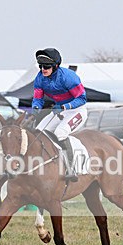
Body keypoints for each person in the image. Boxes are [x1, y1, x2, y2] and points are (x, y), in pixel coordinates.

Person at [30, 47, 88, 181]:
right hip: (59, 110)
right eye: (40, 66)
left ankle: (71, 168)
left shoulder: (68, 77)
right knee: (39, 132)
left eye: (46, 66)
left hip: (76, 110)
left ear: (55, 66)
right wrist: (36, 108)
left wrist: (64, 106)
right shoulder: (40, 78)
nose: (43, 69)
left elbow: (82, 98)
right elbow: (38, 98)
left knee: (60, 133)